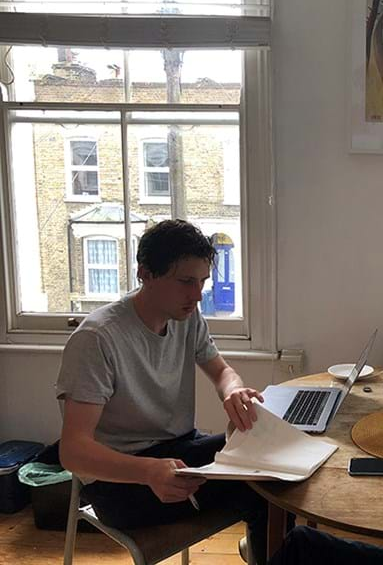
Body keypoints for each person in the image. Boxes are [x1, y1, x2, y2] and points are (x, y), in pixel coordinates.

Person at [56, 219, 279, 563]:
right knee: (266, 490)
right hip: (121, 480)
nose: (197, 295)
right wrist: (147, 471)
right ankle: (269, 550)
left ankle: (267, 551)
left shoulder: (186, 316)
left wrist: (234, 391)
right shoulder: (97, 339)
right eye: (186, 282)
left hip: (179, 452)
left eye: (202, 282)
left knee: (271, 461)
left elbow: (221, 371)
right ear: (145, 273)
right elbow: (73, 452)